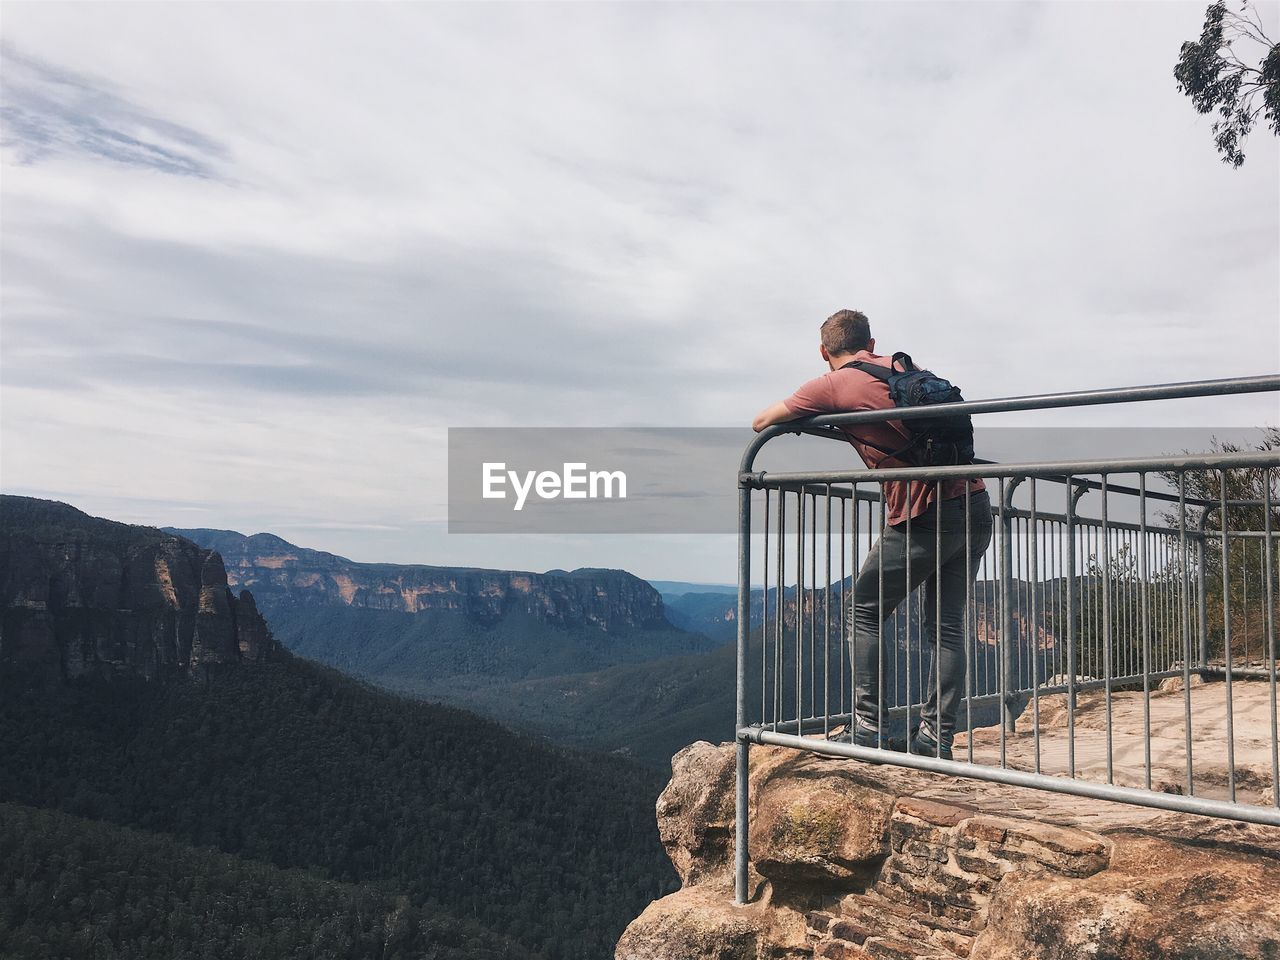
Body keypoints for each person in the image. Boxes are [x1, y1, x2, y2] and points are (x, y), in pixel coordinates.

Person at [751, 309, 992, 760]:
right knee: (947, 627)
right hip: (975, 502)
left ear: (824, 352)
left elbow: (762, 421)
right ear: (870, 341)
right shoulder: (904, 368)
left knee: (863, 608)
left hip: (926, 511)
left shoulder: (833, 384)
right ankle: (935, 740)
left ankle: (868, 728)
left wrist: (816, 415)